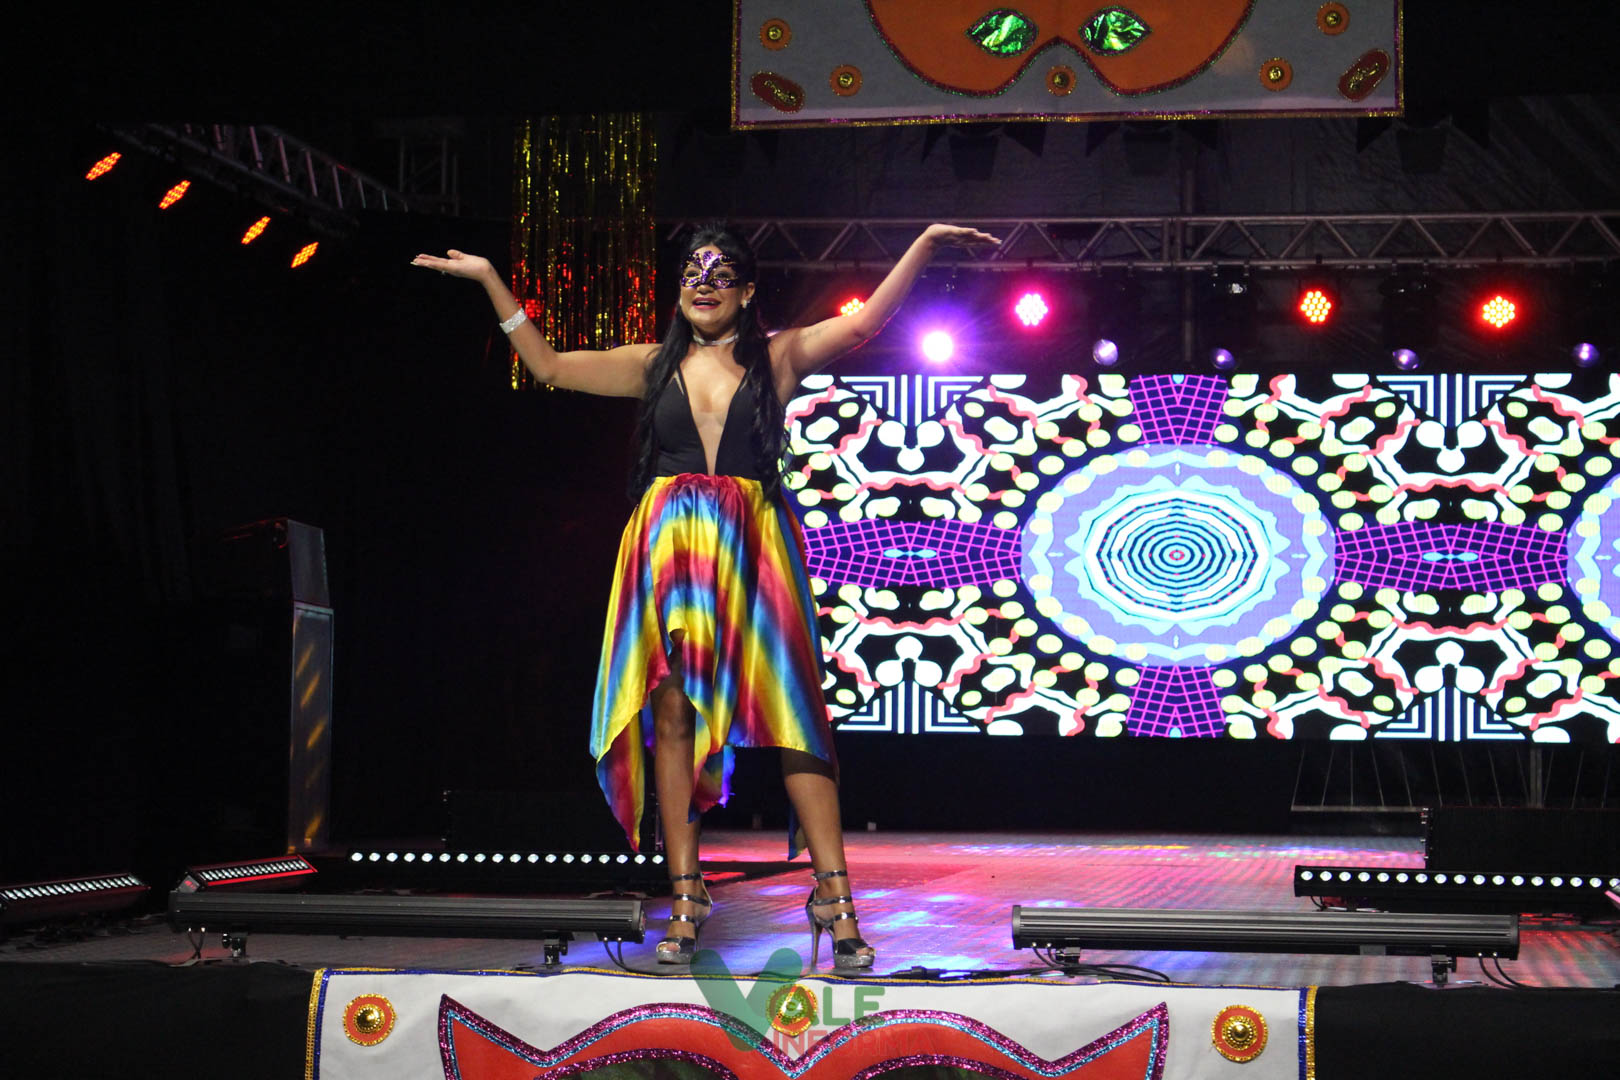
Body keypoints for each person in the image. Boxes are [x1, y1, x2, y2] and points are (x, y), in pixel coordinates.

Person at [412, 223, 998, 968]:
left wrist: (925, 244)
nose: (704, 283)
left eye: (721, 274)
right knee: (673, 712)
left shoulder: (778, 356)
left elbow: (864, 324)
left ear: (747, 292)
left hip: (755, 547)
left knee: (795, 715)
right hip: (669, 548)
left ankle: (834, 895)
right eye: (693, 272)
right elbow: (549, 365)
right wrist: (491, 278)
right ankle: (687, 896)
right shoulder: (651, 364)